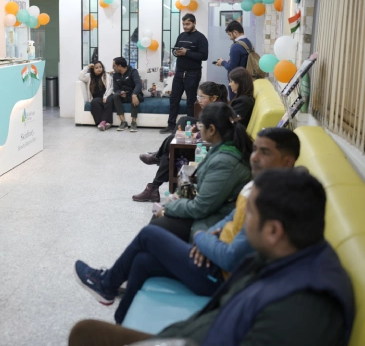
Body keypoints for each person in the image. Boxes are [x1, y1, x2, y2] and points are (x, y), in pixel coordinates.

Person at [70, 168, 355, 346]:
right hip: (193, 334)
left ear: (272, 230)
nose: (241, 223)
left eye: (249, 215)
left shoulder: (302, 310)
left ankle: (106, 284)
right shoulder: (283, 255)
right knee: (87, 332)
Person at [74, 128, 301, 325]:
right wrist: (212, 234)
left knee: (150, 234)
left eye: (265, 152)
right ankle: (122, 324)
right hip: (212, 256)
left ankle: (106, 284)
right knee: (142, 262)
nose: (255, 157)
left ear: (287, 162)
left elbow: (232, 258)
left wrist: (202, 238)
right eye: (255, 150)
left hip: (221, 278)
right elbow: (231, 217)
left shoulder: (273, 201)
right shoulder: (258, 184)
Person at [147, 103, 252, 243]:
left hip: (214, 221)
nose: (199, 130)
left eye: (201, 126)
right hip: (213, 210)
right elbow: (209, 187)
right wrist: (181, 194)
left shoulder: (224, 162)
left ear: (212, 129)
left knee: (153, 230)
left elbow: (201, 207)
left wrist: (169, 208)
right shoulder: (222, 149)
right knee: (153, 229)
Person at [132, 83, 228, 204]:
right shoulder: (215, 107)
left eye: (202, 97)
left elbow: (215, 132)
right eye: (198, 97)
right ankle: (156, 174)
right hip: (206, 142)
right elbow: (205, 125)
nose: (199, 100)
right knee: (183, 121)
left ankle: (157, 166)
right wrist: (195, 128)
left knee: (171, 146)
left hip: (207, 148)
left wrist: (195, 135)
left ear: (213, 98)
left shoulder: (218, 111)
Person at [160, 14, 209, 134]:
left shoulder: (201, 38)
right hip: (179, 72)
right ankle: (171, 125)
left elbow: (204, 56)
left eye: (188, 24)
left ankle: (191, 128)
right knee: (173, 99)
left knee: (190, 102)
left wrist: (186, 53)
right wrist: (176, 52)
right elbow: (175, 50)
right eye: (183, 24)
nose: (185, 26)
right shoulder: (181, 35)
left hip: (193, 73)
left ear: (194, 23)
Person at [215, 20, 253, 100]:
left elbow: (231, 68)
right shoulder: (248, 42)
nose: (230, 38)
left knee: (234, 102)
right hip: (245, 79)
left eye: (230, 35)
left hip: (237, 81)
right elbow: (242, 60)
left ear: (235, 32)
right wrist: (229, 62)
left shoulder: (236, 46)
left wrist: (222, 62)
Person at [78, 61, 113, 130]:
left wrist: (105, 96)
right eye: (96, 68)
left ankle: (105, 122)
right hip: (97, 98)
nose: (99, 69)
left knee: (109, 101)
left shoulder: (106, 76)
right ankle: (101, 123)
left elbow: (110, 88)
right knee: (94, 102)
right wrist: (87, 67)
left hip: (107, 96)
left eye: (100, 67)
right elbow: (80, 76)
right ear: (93, 69)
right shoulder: (89, 77)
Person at [112, 57, 143, 132]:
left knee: (135, 96)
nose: (113, 68)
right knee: (115, 96)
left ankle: (133, 122)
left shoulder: (133, 71)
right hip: (123, 95)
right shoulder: (115, 75)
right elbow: (116, 89)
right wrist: (120, 92)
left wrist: (134, 94)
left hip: (134, 94)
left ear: (119, 66)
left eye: (114, 66)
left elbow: (138, 84)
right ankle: (123, 122)